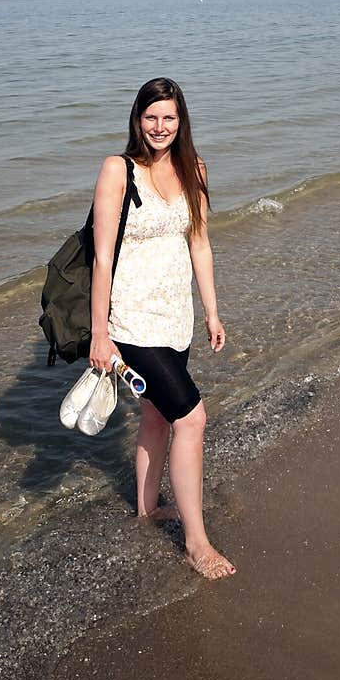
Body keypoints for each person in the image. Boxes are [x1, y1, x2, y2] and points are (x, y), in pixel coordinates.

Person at [88, 77, 236, 580]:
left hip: (176, 321)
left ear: (181, 120)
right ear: (137, 119)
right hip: (131, 323)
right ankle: (196, 543)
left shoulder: (195, 169)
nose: (159, 127)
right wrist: (99, 333)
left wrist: (212, 312)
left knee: (155, 415)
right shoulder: (117, 171)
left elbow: (200, 245)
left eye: (168, 117)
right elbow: (102, 256)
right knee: (191, 418)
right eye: (151, 117)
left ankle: (148, 511)